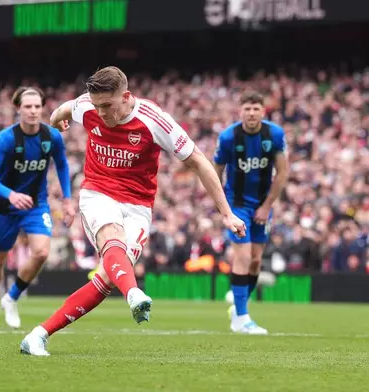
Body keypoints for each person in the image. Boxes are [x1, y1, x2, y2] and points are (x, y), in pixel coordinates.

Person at [20, 66, 246, 356]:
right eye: (97, 105)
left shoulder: (154, 120)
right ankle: (134, 293)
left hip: (138, 206)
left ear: (126, 96)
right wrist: (57, 122)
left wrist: (226, 213)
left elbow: (199, 161)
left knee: (107, 277)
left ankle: (38, 335)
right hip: (97, 193)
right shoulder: (88, 105)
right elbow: (62, 111)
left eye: (107, 106)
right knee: (112, 239)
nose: (100, 112)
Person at [0, 87, 74, 330]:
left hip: (36, 204)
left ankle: (11, 297)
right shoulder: (6, 138)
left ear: (42, 108)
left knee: (41, 252)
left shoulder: (52, 136)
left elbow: (62, 166)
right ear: (18, 108)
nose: (32, 111)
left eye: (37, 107)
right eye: (28, 106)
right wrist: (11, 194)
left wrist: (68, 199)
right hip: (5, 207)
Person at [213, 91, 289, 335]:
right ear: (240, 111)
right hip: (237, 206)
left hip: (262, 205)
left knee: (256, 261)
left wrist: (266, 206)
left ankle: (238, 306)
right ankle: (242, 318)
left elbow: (283, 173)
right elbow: (215, 172)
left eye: (256, 108)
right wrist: (224, 208)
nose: (251, 113)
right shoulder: (228, 137)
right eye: (247, 108)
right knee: (243, 257)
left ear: (263, 111)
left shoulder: (274, 134)